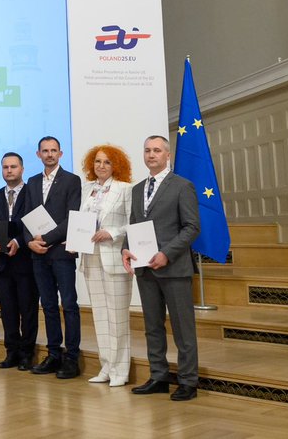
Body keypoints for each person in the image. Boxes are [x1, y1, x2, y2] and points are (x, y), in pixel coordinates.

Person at [124, 135, 201, 402]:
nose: (151, 154)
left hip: (174, 268)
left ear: (167, 155)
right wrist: (125, 248)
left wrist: (166, 253)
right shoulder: (137, 189)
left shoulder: (182, 186)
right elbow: (134, 224)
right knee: (152, 326)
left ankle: (188, 381)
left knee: (182, 328)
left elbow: (192, 227)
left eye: (157, 150)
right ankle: (158, 376)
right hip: (145, 269)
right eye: (147, 150)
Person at [17, 135, 82, 379]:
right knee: (48, 305)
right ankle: (54, 354)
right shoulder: (32, 182)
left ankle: (72, 357)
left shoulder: (72, 180)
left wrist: (45, 238)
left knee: (69, 305)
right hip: (38, 255)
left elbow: (71, 217)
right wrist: (29, 242)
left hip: (61, 252)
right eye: (45, 151)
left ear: (60, 154)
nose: (50, 154)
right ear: (38, 154)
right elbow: (25, 217)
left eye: (54, 150)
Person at [79, 144, 133, 386]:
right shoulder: (87, 188)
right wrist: (75, 240)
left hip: (114, 259)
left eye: (107, 162)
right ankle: (106, 367)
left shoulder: (125, 189)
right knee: (100, 316)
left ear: (116, 165)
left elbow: (133, 222)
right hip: (91, 258)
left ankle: (120, 371)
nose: (101, 166)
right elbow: (81, 222)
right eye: (98, 161)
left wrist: (111, 232)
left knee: (117, 317)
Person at [0, 152, 38, 371]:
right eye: (5, 167)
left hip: (25, 259)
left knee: (28, 309)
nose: (9, 170)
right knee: (8, 310)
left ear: (22, 169)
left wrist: (19, 241)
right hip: (2, 261)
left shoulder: (32, 192)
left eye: (13, 167)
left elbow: (35, 224)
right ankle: (12, 352)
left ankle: (27, 354)